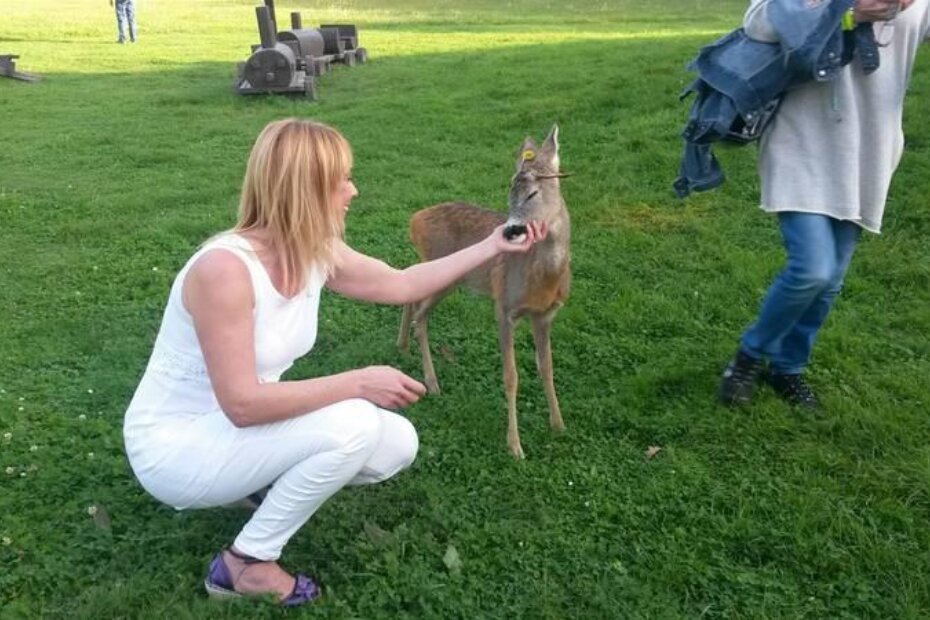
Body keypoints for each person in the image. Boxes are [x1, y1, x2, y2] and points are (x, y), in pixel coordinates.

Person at [123, 118, 547, 605]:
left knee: (395, 444)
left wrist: (492, 244)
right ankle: (245, 565)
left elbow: (402, 284)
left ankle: (258, 484)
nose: (354, 190)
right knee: (356, 425)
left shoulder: (314, 250)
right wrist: (358, 382)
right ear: (305, 189)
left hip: (233, 429)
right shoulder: (224, 271)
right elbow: (241, 403)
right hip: (175, 447)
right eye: (342, 180)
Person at [719, 0, 930, 409]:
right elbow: (759, 21)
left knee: (831, 278)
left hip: (867, 153)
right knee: (812, 269)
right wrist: (846, 14)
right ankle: (748, 357)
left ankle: (788, 366)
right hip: (802, 140)